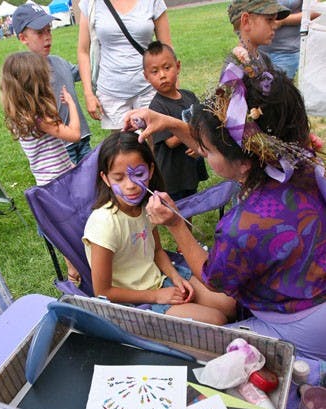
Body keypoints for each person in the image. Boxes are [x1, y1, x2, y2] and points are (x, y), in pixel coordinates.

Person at [124, 55, 326, 360]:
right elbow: (228, 140)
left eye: (207, 151)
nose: (202, 153)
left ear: (244, 162)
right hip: (308, 294)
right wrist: (169, 122)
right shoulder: (300, 160)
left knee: (217, 348)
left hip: (301, 330)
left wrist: (177, 225)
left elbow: (213, 278)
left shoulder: (243, 228)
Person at [82, 131, 236, 325]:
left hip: (161, 279)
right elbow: (102, 292)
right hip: (136, 301)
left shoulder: (146, 206)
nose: (130, 185)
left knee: (229, 305)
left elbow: (157, 250)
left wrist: (175, 276)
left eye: (138, 174)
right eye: (119, 178)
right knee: (217, 320)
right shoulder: (104, 224)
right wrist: (156, 296)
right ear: (105, 178)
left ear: (151, 170)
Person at [0, 51, 81, 284]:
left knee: (66, 233)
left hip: (48, 182)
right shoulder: (39, 117)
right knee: (73, 231)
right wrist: (72, 105)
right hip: (59, 183)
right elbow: (74, 134)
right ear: (35, 82)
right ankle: (78, 277)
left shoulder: (20, 115)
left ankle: (76, 275)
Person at [12, 2, 91, 164]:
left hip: (82, 136)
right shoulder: (26, 76)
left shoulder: (59, 62)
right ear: (23, 37)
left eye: (48, 30)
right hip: (61, 147)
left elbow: (82, 72)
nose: (47, 36)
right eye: (40, 33)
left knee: (91, 182)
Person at [77, 0, 172, 132]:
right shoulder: (91, 2)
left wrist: (174, 93)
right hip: (112, 92)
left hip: (150, 88)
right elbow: (83, 52)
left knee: (157, 145)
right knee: (124, 148)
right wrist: (88, 93)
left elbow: (167, 50)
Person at [143, 40, 208, 203]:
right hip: (172, 174)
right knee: (177, 210)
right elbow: (170, 142)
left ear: (177, 67)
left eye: (167, 68)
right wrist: (191, 130)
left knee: (191, 204)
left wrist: (198, 143)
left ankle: (188, 229)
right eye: (155, 71)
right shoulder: (156, 107)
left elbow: (203, 124)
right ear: (146, 77)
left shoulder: (189, 96)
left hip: (190, 169)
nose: (162, 75)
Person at [260, 0, 321, 80]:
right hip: (256, 49)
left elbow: (316, 11)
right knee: (252, 89)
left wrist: (283, 21)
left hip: (286, 53)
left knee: (277, 89)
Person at [226, 0, 291, 70]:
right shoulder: (234, 69)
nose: (275, 26)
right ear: (246, 21)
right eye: (269, 20)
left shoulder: (264, 58)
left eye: (274, 20)